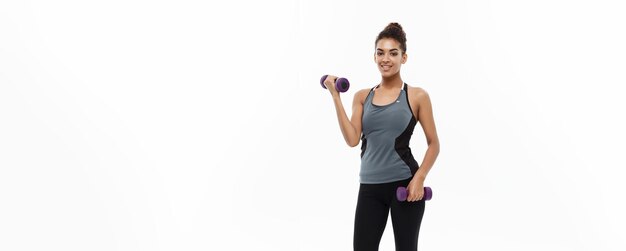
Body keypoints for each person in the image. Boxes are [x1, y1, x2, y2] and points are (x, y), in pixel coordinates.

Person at [323, 22, 440, 251]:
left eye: (393, 53)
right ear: (374, 56)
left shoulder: (417, 96)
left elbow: (434, 144)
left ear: (403, 58)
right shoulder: (361, 96)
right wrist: (336, 97)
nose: (386, 58)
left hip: (405, 186)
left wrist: (419, 178)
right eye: (380, 52)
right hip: (369, 187)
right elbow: (352, 139)